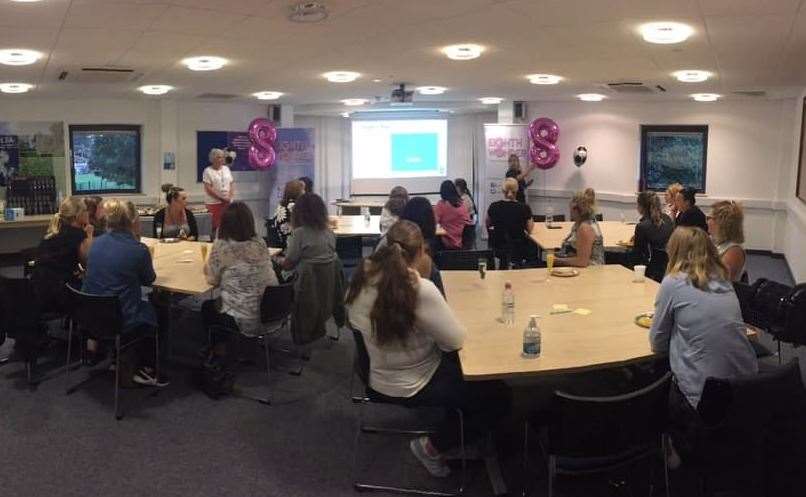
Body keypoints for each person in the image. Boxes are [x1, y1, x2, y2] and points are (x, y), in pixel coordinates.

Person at [345, 220, 510, 477]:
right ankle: (432, 447)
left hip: (374, 375)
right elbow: (454, 341)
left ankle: (459, 428)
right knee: (497, 395)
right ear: (421, 251)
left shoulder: (360, 278)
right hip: (415, 381)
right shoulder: (419, 289)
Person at [650, 227, 757, 459]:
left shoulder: (672, 282)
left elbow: (657, 344)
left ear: (674, 251)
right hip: (749, 389)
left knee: (657, 374)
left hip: (704, 399)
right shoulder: (724, 280)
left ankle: (671, 447)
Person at [82, 199, 167, 387]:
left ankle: (118, 358)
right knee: (160, 308)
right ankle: (146, 365)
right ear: (133, 221)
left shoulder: (94, 244)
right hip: (121, 319)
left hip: (91, 314)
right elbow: (149, 279)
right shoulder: (138, 250)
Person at [202, 202, 279, 367]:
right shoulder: (260, 242)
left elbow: (212, 280)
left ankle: (219, 353)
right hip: (273, 311)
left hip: (245, 317)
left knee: (207, 308)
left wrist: (208, 264)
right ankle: (246, 347)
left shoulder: (222, 246)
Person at [31, 197, 94, 315]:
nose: (88, 213)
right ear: (78, 215)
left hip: (38, 290)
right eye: (85, 210)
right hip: (60, 294)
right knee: (93, 289)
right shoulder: (78, 235)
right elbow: (89, 263)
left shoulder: (53, 232)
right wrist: (89, 235)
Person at [275, 193, 336, 272]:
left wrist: (276, 259)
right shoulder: (330, 233)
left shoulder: (299, 234)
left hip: (303, 280)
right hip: (328, 281)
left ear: (298, 212)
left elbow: (288, 266)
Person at [486, 178, 535, 265]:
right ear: (517, 190)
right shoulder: (524, 208)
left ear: (502, 190)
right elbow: (530, 229)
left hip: (498, 245)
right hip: (518, 247)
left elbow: (488, 224)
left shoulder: (493, 206)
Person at [555, 191, 605, 267]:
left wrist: (557, 261)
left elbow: (582, 262)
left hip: (591, 271)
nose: (570, 212)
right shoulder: (578, 224)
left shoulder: (585, 228)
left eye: (570, 209)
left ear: (576, 210)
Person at [630, 192, 674, 266]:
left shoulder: (642, 227)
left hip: (650, 267)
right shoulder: (667, 219)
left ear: (641, 207)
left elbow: (637, 255)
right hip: (668, 263)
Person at [707, 200, 746, 282]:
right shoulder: (713, 240)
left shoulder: (734, 251)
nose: (707, 221)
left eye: (709, 218)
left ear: (721, 222)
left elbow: (721, 280)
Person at [203, 148, 235, 236]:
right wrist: (221, 198)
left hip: (227, 202)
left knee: (228, 225)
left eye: (222, 157)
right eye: (219, 157)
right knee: (215, 227)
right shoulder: (207, 171)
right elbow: (208, 188)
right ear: (213, 159)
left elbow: (231, 183)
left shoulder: (226, 169)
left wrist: (230, 197)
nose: (222, 159)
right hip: (214, 203)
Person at [433, 180, 469, 250]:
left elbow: (434, 223)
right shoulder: (462, 204)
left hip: (446, 243)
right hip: (461, 243)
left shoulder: (441, 204)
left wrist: (441, 231)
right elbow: (467, 222)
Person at [271, 179, 305, 250]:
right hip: (289, 246)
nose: (304, 192)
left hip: (278, 243)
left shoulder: (281, 205)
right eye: (303, 190)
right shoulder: (294, 206)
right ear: (298, 192)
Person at [454, 178, 477, 249]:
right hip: (466, 229)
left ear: (458, 188)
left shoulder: (464, 200)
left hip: (465, 231)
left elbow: (459, 215)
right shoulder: (465, 197)